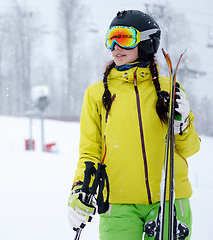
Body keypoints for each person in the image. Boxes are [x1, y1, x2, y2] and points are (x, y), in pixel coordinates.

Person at [67, 10, 200, 240]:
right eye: (111, 38)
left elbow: (189, 149)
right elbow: (90, 151)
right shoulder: (97, 94)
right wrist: (80, 188)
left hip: (168, 201)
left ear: (147, 42)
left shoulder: (170, 89)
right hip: (117, 203)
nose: (115, 46)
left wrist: (183, 124)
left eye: (125, 38)